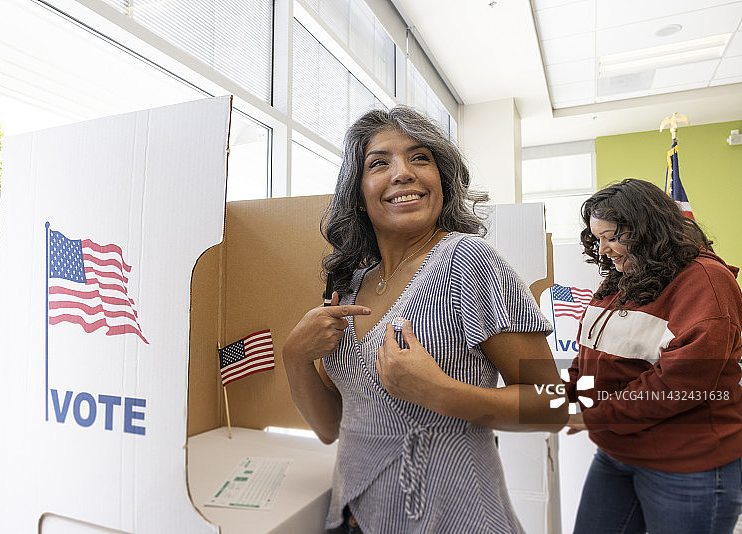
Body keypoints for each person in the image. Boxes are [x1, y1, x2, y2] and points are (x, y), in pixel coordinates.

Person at [283, 106, 566, 533]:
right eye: (379, 163)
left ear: (442, 180)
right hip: (356, 518)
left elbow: (552, 405)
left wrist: (442, 392)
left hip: (456, 519)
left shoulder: (468, 263)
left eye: (420, 158)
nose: (403, 173)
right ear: (358, 193)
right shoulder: (351, 283)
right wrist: (293, 357)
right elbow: (330, 426)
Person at [566, 178, 742, 534]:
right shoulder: (623, 276)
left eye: (612, 237)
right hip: (618, 450)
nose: (603, 250)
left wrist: (599, 416)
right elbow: (590, 350)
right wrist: (569, 398)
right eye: (597, 238)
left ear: (648, 230)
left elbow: (681, 380)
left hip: (687, 461)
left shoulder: (706, 281)